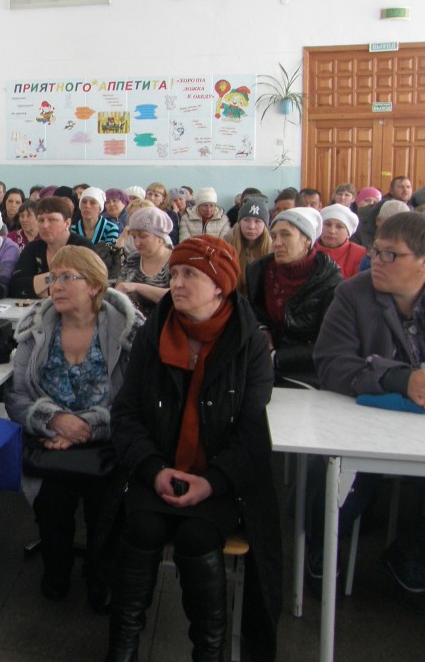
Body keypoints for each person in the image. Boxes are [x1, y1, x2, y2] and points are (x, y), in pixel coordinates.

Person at [107, 235, 280, 662]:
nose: (176, 283)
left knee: (197, 536)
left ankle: (209, 650)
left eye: (190, 274)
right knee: (142, 528)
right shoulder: (153, 333)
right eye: (175, 273)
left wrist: (213, 481)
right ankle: (123, 646)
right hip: (158, 467)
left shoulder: (249, 343)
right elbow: (126, 414)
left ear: (220, 286)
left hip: (217, 477)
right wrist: (153, 469)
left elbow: (251, 433)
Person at [312, 212, 425, 606]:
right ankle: (321, 551)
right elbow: (331, 363)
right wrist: (402, 379)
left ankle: (412, 551)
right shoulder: (352, 294)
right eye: (376, 251)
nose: (376, 260)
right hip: (364, 424)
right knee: (332, 487)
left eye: (390, 255)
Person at [7, 246, 143, 607]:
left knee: (105, 500)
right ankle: (57, 569)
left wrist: (86, 427)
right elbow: (16, 398)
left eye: (68, 277)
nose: (56, 286)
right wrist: (54, 421)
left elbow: (135, 404)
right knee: (53, 500)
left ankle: (100, 573)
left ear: (95, 285)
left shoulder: (127, 331)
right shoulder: (36, 328)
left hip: (108, 440)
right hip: (50, 439)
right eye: (53, 278)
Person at [246, 207, 342, 387]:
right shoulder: (260, 271)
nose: (277, 243)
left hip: (307, 373)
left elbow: (330, 343)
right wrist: (262, 329)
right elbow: (255, 312)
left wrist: (276, 357)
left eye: (286, 235)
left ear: (307, 240)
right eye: (274, 236)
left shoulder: (331, 284)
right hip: (261, 365)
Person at [10, 197, 96, 299]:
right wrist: (54, 277)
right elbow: (15, 287)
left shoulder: (83, 248)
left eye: (52, 220)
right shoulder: (33, 248)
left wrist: (40, 289)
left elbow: (90, 285)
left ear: (67, 223)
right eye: (41, 220)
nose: (45, 225)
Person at [114, 207, 173, 318]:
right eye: (134, 237)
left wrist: (137, 287)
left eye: (143, 236)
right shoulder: (133, 259)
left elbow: (176, 295)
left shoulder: (175, 262)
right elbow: (119, 290)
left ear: (160, 237)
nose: (137, 243)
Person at [227, 196, 273, 297]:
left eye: (257, 221)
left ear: (265, 225)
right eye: (246, 220)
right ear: (239, 223)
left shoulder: (272, 251)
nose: (251, 226)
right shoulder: (227, 247)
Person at [316, 204, 366, 279]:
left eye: (339, 227)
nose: (332, 231)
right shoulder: (308, 248)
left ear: (348, 234)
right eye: (327, 225)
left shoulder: (359, 253)